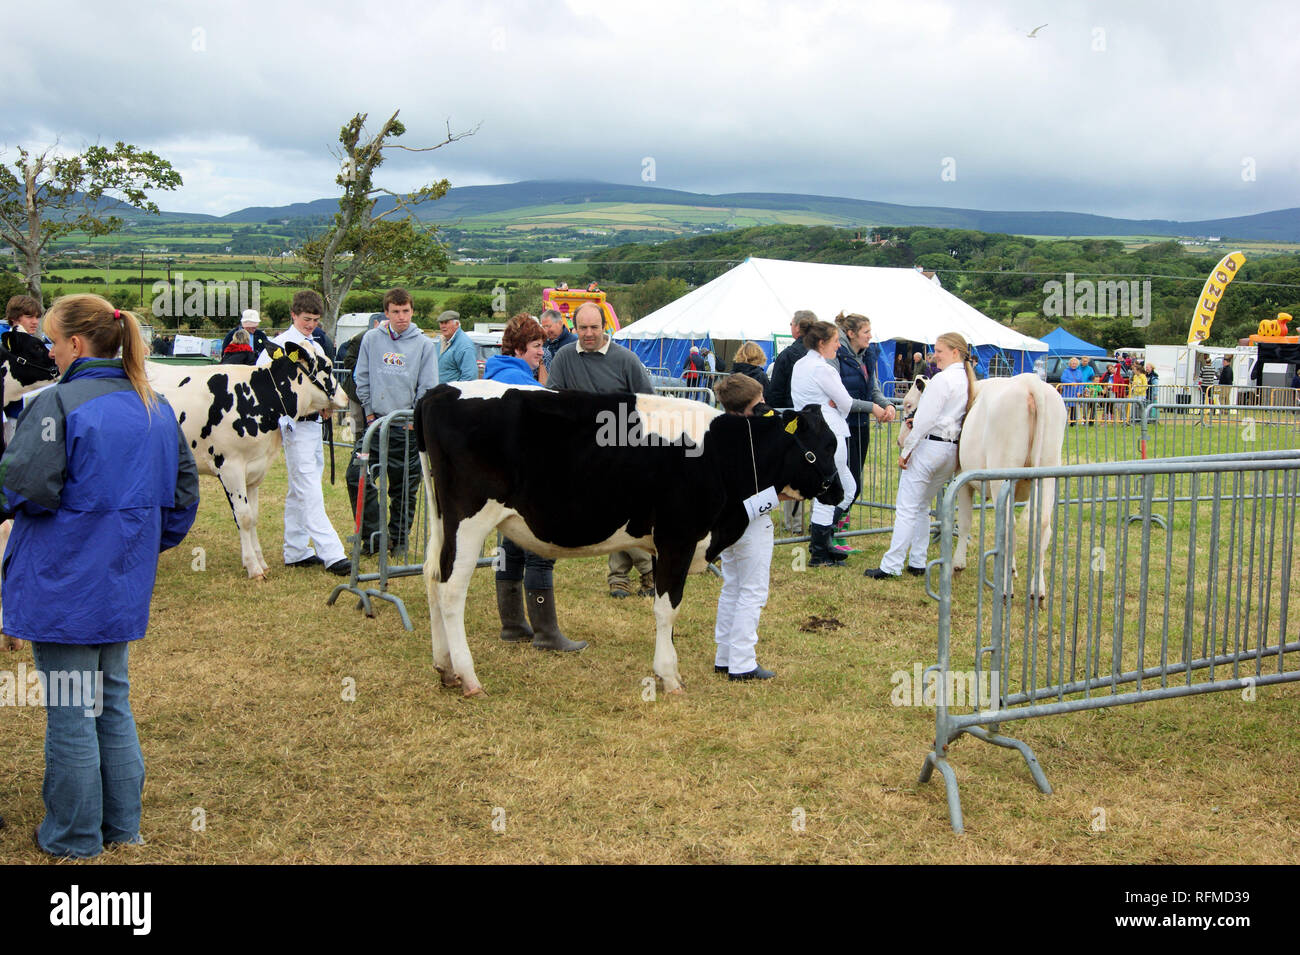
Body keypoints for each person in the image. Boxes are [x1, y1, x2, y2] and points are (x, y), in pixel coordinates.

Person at [0, 293, 199, 858]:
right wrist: (133, 545)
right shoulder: (154, 404)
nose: (51, 353)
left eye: (54, 343)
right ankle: (122, 827)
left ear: (77, 344)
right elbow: (183, 499)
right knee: (110, 700)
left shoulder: (58, 404)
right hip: (122, 581)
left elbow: (22, 488)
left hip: (64, 581)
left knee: (70, 711)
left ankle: (74, 837)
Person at [483, 314, 585, 652]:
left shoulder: (495, 371)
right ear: (519, 347)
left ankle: (512, 624)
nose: (542, 351)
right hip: (530, 477)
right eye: (537, 346)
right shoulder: (521, 381)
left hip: (505, 477)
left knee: (510, 547)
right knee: (540, 549)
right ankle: (546, 633)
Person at [548, 301, 656, 598]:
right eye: (582, 328)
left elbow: (648, 402)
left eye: (594, 327)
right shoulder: (564, 358)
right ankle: (643, 573)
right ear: (574, 327)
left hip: (624, 449)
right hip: (582, 452)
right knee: (614, 514)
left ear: (605, 327)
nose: (588, 333)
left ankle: (623, 577)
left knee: (622, 513)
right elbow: (554, 399)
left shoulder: (626, 359)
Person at [865, 332, 975, 580]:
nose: (934, 355)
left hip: (929, 447)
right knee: (922, 506)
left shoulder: (942, 380)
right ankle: (917, 560)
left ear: (955, 352)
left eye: (939, 350)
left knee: (906, 507)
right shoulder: (967, 380)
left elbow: (925, 421)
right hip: (950, 450)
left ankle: (891, 564)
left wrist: (907, 450)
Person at [261, 290, 351, 575]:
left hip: (315, 425)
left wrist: (327, 406)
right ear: (293, 315)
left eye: (314, 319)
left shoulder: (317, 345)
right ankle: (333, 553)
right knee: (309, 488)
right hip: (293, 425)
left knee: (299, 488)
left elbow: (324, 383)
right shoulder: (277, 347)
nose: (310, 324)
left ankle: (296, 550)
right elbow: (262, 386)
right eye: (306, 319)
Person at [711, 374, 793, 681]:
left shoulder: (718, 432)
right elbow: (758, 487)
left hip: (726, 519)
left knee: (732, 585)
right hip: (750, 520)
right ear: (745, 409)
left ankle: (725, 655)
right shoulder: (752, 439)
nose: (765, 409)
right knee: (752, 590)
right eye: (759, 404)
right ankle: (743, 662)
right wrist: (782, 495)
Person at [348, 288, 439, 556]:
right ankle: (374, 537)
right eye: (396, 312)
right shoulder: (372, 339)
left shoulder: (423, 344)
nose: (401, 317)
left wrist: (414, 417)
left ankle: (399, 541)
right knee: (357, 476)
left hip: (405, 427)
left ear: (412, 311)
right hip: (375, 426)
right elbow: (361, 376)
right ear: (386, 313)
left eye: (406, 311)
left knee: (403, 490)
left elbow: (428, 386)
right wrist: (368, 411)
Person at [789, 320, 857, 567]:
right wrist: (835, 403)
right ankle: (819, 550)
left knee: (846, 488)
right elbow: (846, 403)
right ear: (821, 343)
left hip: (809, 431)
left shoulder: (800, 365)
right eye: (835, 341)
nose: (839, 345)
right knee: (832, 492)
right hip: (829, 432)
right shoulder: (824, 369)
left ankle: (823, 540)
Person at [832, 313, 895, 554]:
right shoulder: (837, 355)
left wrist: (886, 404)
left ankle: (840, 531)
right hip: (841, 425)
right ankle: (830, 532)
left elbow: (873, 388)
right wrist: (873, 408)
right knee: (845, 484)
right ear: (851, 333)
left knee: (855, 483)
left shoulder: (867, 356)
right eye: (866, 331)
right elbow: (841, 397)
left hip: (860, 425)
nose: (870, 336)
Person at [3, 294, 48, 444]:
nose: (35, 322)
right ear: (14, 318)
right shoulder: (5, 348)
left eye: (37, 317)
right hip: (12, 417)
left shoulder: (39, 344)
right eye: (29, 316)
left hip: (38, 417)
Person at [767, 310, 818, 408]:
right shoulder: (823, 352)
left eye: (791, 324)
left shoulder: (787, 355)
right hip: (819, 413)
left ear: (798, 327)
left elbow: (776, 392)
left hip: (792, 412)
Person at [436, 310, 478, 383]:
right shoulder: (441, 341)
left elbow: (469, 377)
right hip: (439, 392)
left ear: (457, 324)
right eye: (441, 323)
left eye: (446, 323)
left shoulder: (465, 345)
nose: (443, 326)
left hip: (452, 393)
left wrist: (454, 393)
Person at [539, 308, 576, 374]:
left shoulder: (573, 343)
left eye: (548, 326)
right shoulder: (542, 342)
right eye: (543, 327)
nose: (545, 331)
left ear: (560, 323)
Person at [1060, 357, 1085, 426]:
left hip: (1076, 392)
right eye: (1073, 363)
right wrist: (1071, 383)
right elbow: (1063, 379)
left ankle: (1073, 422)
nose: (1074, 365)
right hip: (1067, 392)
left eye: (1075, 363)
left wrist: (1080, 391)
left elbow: (1082, 383)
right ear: (1070, 364)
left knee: (1074, 407)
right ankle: (1064, 421)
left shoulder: (1079, 372)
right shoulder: (1066, 371)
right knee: (1065, 408)